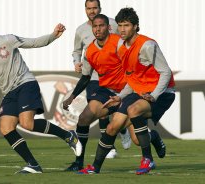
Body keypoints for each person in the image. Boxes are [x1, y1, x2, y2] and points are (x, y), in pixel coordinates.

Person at [0, 16, 82, 174]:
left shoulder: (8, 40)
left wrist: (53, 35)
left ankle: (68, 135)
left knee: (27, 124)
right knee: (6, 128)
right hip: (9, 92)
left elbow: (33, 43)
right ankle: (33, 165)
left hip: (26, 83)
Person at [78, 7, 175, 175]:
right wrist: (119, 96)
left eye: (127, 25)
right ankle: (95, 167)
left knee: (133, 110)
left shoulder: (147, 45)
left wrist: (154, 95)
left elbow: (165, 72)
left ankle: (147, 160)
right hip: (139, 92)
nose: (122, 29)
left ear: (136, 26)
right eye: (120, 25)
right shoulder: (121, 47)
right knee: (112, 127)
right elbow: (132, 77)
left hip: (162, 92)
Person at [65, 0, 132, 171]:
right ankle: (79, 162)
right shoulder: (84, 37)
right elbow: (78, 56)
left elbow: (130, 46)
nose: (92, 11)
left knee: (137, 138)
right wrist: (72, 95)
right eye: (89, 8)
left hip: (123, 86)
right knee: (85, 117)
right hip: (99, 82)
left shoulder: (116, 33)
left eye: (95, 7)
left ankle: (135, 135)